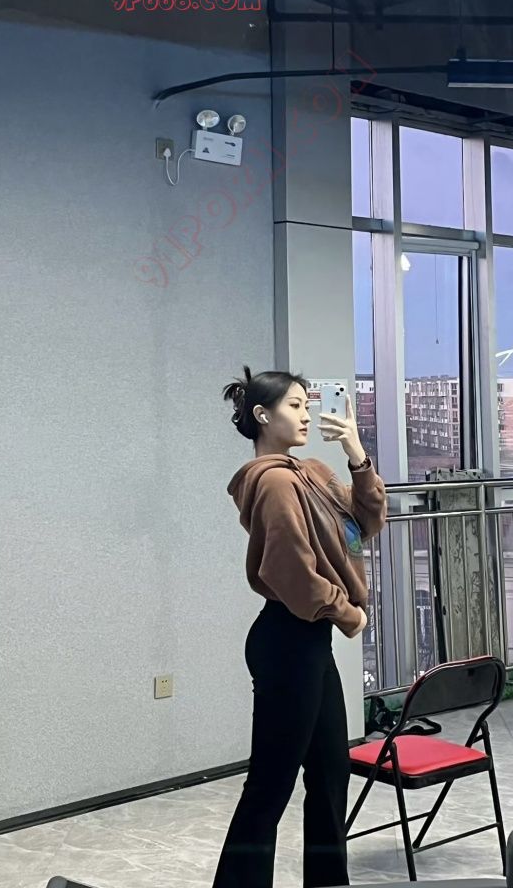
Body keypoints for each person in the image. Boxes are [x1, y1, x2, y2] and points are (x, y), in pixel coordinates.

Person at [213, 366, 387, 888]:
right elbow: (290, 571)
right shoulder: (272, 482)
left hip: (307, 642)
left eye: (307, 405)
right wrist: (348, 612)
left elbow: (365, 524)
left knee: (331, 773)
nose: (306, 415)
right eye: (294, 406)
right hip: (288, 640)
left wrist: (356, 452)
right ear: (262, 416)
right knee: (271, 784)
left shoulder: (311, 472)